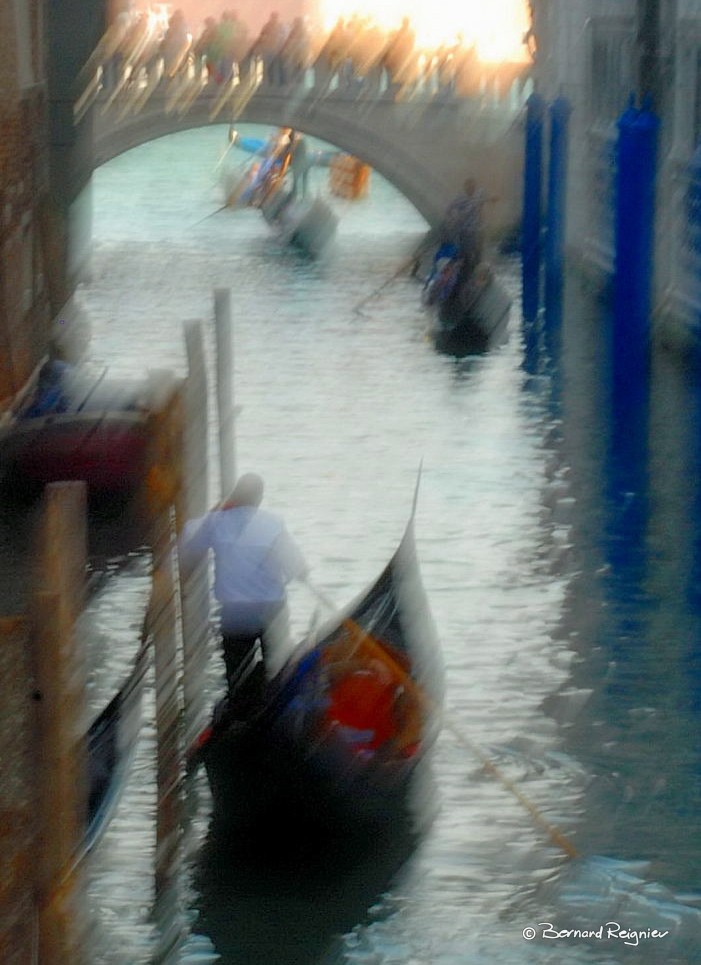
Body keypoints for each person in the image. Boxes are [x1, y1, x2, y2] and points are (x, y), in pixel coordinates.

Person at [179, 473, 309, 695]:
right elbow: (297, 568)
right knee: (278, 670)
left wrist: (216, 512)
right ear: (259, 498)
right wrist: (299, 573)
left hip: (235, 614)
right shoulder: (273, 523)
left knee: (237, 675)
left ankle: (240, 702)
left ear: (235, 496)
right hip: (271, 610)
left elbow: (190, 549)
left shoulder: (215, 522)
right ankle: (275, 694)